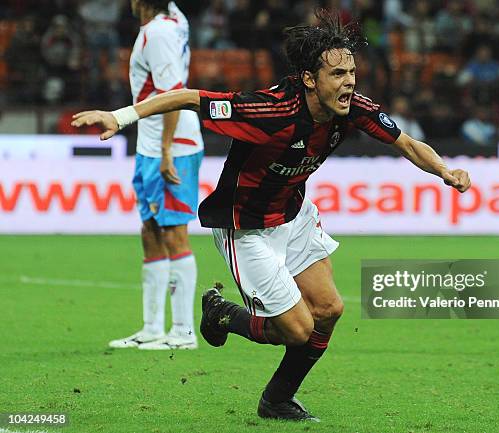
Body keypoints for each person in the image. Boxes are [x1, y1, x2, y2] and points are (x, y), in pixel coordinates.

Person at [72, 10, 470, 420]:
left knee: (329, 310)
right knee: (296, 331)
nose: (349, 81)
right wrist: (120, 117)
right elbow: (189, 97)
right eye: (338, 74)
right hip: (246, 227)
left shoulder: (351, 109)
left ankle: (277, 399)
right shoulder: (270, 110)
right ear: (311, 79)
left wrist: (444, 170)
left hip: (294, 215)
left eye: (352, 71)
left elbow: (405, 142)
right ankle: (223, 315)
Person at [107, 0, 204, 350]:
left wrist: (166, 150)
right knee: (150, 229)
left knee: (174, 232)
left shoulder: (159, 32)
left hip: (173, 143)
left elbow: (176, 94)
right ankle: (151, 327)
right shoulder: (173, 19)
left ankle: (182, 331)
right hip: (150, 144)